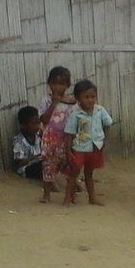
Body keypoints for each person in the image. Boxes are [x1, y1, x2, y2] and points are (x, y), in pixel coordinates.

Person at [61, 79, 114, 207]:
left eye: (92, 97)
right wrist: (68, 150)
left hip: (95, 147)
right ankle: (67, 198)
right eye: (86, 97)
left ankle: (92, 198)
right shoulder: (76, 115)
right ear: (78, 98)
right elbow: (69, 134)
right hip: (79, 148)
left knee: (89, 174)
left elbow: (107, 124)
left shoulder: (100, 111)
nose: (90, 100)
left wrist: (104, 141)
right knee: (74, 173)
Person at [37, 66, 75, 203]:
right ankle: (46, 195)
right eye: (54, 83)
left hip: (66, 140)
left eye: (61, 84)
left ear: (67, 85)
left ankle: (71, 194)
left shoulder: (72, 102)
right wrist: (54, 103)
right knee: (48, 166)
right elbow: (44, 119)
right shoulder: (46, 100)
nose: (57, 87)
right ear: (49, 84)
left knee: (70, 166)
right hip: (50, 140)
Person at [11, 105, 44, 180]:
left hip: (38, 165)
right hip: (25, 169)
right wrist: (36, 157)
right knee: (44, 165)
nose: (37, 126)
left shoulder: (37, 137)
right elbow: (19, 163)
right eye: (34, 123)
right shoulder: (19, 141)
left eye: (38, 122)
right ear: (24, 125)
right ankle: (54, 187)